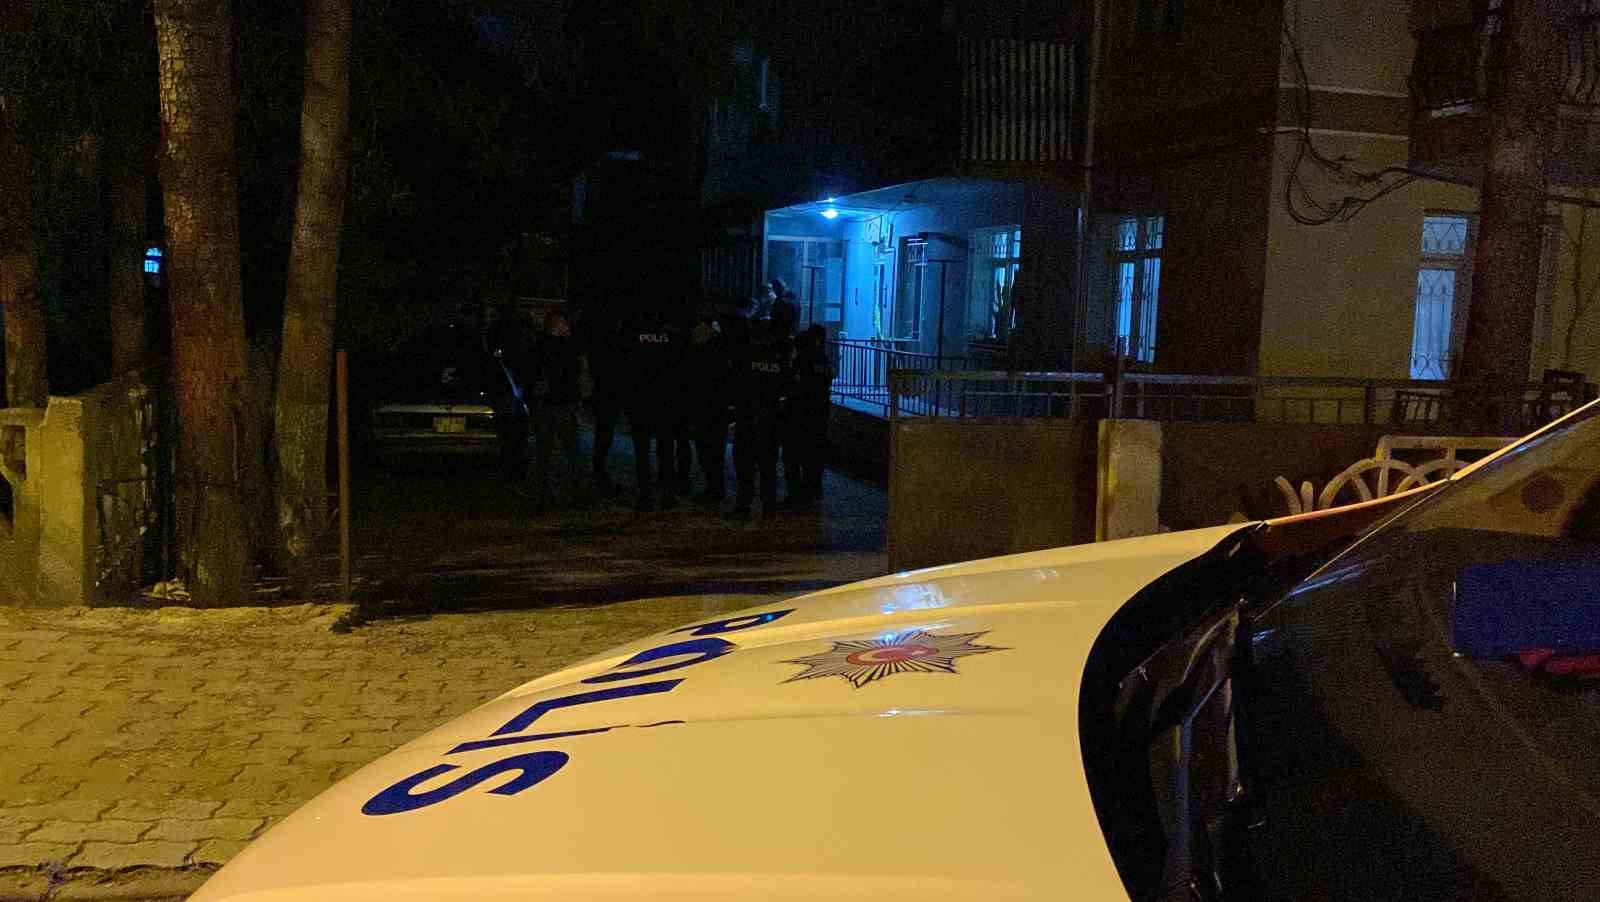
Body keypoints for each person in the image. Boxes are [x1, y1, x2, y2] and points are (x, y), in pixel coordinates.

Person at [730, 300, 795, 520]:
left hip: (748, 418)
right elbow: (787, 386)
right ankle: (769, 508)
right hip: (770, 419)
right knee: (768, 467)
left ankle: (744, 506)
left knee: (745, 466)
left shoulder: (745, 356)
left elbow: (737, 384)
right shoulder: (780, 357)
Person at [623, 307, 683, 511]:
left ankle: (646, 496)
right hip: (665, 400)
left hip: (641, 400)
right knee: (666, 448)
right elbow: (678, 367)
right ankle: (668, 494)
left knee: (642, 451)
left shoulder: (632, 335)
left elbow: (627, 368)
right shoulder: (670, 336)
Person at [528, 310, 583, 508]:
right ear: (557, 326)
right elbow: (573, 372)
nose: (568, 327)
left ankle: (545, 493)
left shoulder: (536, 347)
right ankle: (572, 492)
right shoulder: (566, 348)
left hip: (544, 404)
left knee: (545, 451)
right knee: (570, 450)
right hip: (562, 405)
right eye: (564, 324)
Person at [684, 309, 733, 505]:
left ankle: (714, 489)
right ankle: (715, 488)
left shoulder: (702, 346)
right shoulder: (722, 344)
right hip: (716, 404)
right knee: (714, 449)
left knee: (706, 448)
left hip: (706, 404)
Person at [786, 323, 834, 509]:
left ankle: (798, 495)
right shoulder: (824, 360)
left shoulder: (803, 359)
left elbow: (794, 381)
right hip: (820, 413)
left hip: (802, 413)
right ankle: (813, 490)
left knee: (795, 455)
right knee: (815, 456)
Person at [577, 310, 624, 498]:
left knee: (603, 437)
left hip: (602, 394)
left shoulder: (596, 344)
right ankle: (600, 477)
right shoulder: (611, 345)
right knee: (604, 437)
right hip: (607, 395)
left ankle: (599, 475)